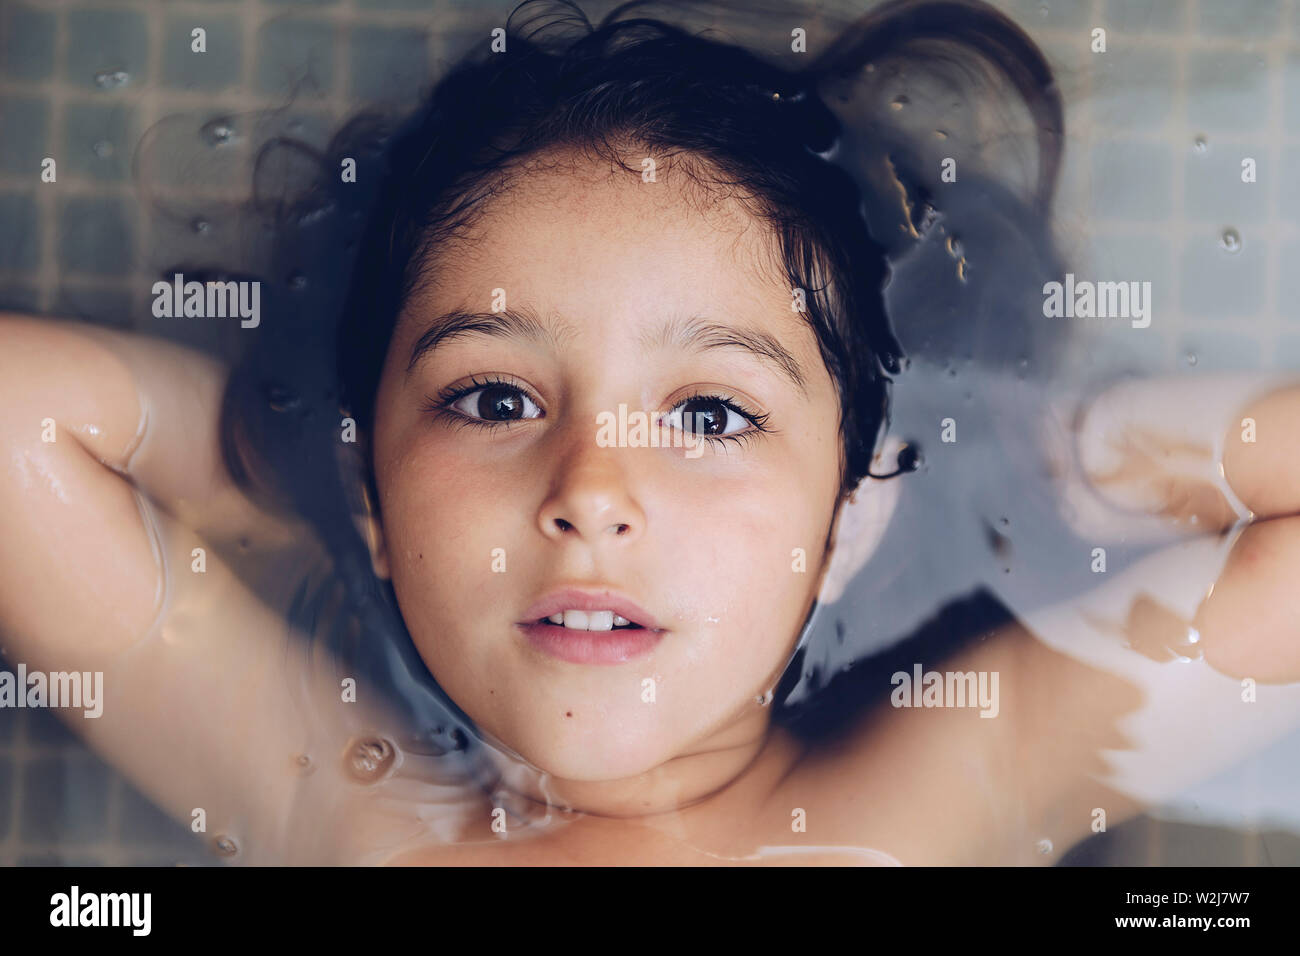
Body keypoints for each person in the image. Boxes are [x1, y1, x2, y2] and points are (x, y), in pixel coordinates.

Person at [2, 0, 1299, 866]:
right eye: (493, 399)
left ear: (847, 525)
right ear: (373, 495)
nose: (593, 489)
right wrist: (305, 468)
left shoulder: (946, 793)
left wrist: (1058, 456)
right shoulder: (327, 797)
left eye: (712, 413)